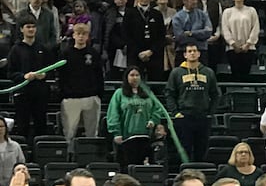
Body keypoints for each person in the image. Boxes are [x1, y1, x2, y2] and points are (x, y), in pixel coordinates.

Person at [165, 43, 220, 162]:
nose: (192, 53)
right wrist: (176, 113)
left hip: (203, 116)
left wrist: (210, 112)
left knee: (202, 149)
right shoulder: (176, 72)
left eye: (194, 51)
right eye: (189, 51)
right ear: (185, 54)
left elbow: (215, 94)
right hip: (184, 116)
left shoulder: (208, 72)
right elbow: (170, 94)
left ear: (199, 53)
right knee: (185, 149)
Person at [107, 65, 169, 169]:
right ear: (126, 77)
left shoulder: (148, 93)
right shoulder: (119, 93)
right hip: (127, 138)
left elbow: (157, 109)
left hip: (146, 137)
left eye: (137, 75)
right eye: (132, 75)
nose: (134, 77)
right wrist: (116, 133)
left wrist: (153, 120)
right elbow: (113, 114)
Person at [58, 23, 103, 154]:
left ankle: (90, 155)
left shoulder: (93, 54)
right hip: (71, 98)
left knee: (91, 132)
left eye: (84, 34)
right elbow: (61, 76)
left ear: (88, 36)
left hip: (91, 97)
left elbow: (99, 75)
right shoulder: (65, 53)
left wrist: (98, 93)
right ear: (74, 35)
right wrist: (64, 94)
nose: (81, 36)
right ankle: (69, 156)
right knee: (70, 132)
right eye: (78, 34)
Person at [7, 15, 48, 144]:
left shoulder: (42, 48)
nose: (31, 29)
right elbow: (10, 73)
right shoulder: (15, 49)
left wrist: (44, 75)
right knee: (22, 125)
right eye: (28, 27)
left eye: (33, 27)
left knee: (41, 124)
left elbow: (51, 69)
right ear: (21, 29)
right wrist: (23, 76)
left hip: (40, 93)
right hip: (22, 93)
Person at [123, 0, 166, 81]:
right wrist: (139, 52)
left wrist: (151, 51)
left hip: (154, 55)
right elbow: (126, 36)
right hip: (135, 55)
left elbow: (161, 37)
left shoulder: (157, 14)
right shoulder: (129, 13)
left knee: (156, 83)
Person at [221, 0, 259, 81]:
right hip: (233, 49)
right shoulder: (227, 12)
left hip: (248, 48)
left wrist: (248, 43)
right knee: (235, 75)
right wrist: (233, 43)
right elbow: (225, 29)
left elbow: (255, 28)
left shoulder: (251, 11)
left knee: (246, 75)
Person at [172, 0, 213, 65]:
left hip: (201, 51)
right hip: (183, 51)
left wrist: (191, 33)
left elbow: (208, 32)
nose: (195, 2)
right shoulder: (177, 17)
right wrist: (200, 36)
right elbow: (180, 37)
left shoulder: (203, 15)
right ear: (184, 1)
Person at [102, 0, 130, 80]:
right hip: (114, 49)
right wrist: (121, 45)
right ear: (114, 0)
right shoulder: (109, 13)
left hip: (130, 48)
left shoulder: (132, 12)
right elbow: (109, 32)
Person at [196, 0, 223, 71]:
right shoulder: (193, 3)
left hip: (213, 40)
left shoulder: (216, 3)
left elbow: (220, 21)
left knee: (211, 68)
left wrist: (217, 35)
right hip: (197, 42)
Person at [155, 0, 178, 75]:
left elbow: (176, 27)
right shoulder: (153, 11)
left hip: (171, 43)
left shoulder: (174, 12)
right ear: (156, 0)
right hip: (158, 43)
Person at [0, 117, 24, 186]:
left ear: (6, 128)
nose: (0, 129)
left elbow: (21, 165)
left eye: (1, 126)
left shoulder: (15, 146)